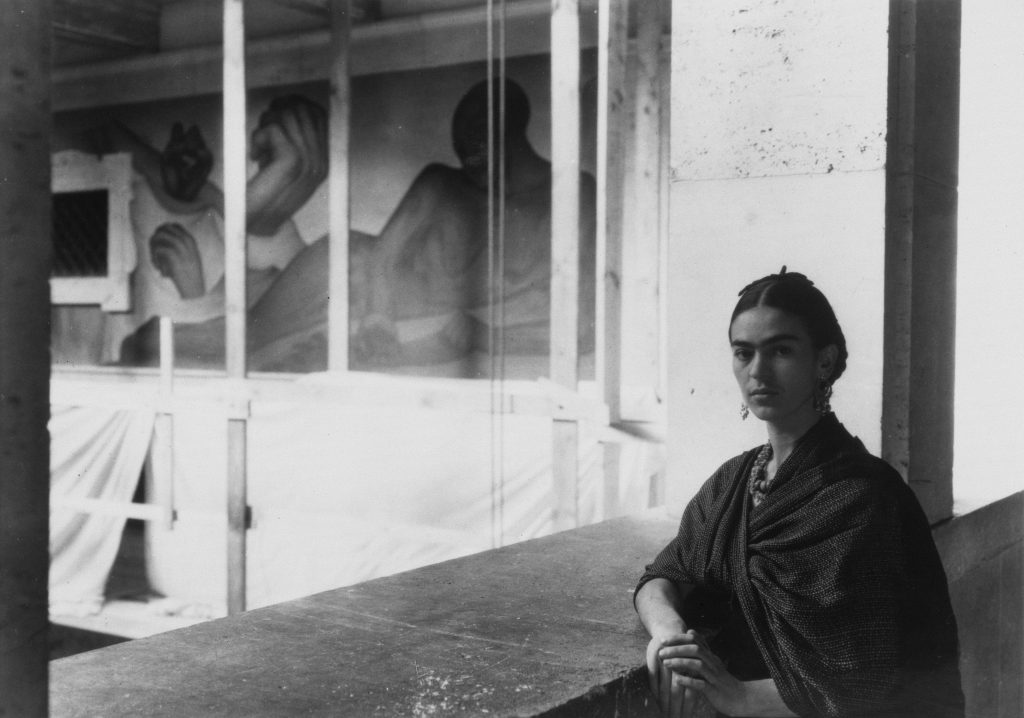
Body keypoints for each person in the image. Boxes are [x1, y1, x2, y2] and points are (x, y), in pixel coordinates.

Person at [634, 268, 963, 718]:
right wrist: (671, 637)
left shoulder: (866, 498)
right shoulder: (735, 481)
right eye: (743, 353)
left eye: (781, 350)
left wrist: (739, 696)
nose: (758, 371)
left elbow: (873, 682)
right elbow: (662, 575)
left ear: (824, 362)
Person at [123, 78, 597, 373]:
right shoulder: (443, 182)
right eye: (462, 150)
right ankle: (144, 345)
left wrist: (486, 334)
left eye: (477, 148)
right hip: (348, 271)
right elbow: (384, 256)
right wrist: (378, 320)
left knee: (255, 345)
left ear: (510, 130)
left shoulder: (572, 197)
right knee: (237, 342)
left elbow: (578, 324)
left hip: (392, 303)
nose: (468, 163)